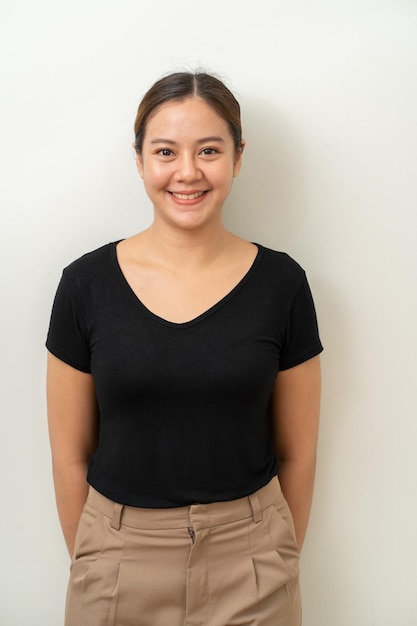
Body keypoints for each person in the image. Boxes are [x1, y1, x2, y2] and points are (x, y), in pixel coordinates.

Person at [46, 71, 323, 626]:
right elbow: (70, 454)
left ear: (238, 157)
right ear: (140, 158)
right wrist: (98, 557)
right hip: (118, 562)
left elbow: (298, 453)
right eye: (166, 151)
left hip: (252, 562)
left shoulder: (282, 286)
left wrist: (274, 552)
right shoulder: (84, 286)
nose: (188, 172)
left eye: (210, 150)